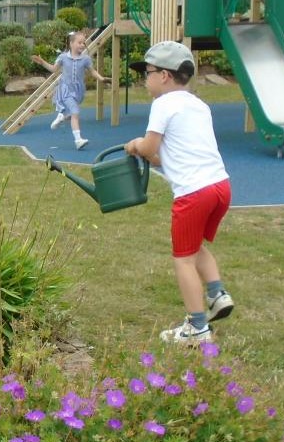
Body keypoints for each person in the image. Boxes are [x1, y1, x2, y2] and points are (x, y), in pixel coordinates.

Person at [123, 41, 234, 345]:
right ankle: (217, 294)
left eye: (147, 72)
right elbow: (165, 157)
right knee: (195, 245)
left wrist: (134, 145)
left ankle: (197, 329)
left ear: (165, 76)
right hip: (220, 186)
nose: (144, 79)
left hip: (193, 193)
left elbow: (148, 148)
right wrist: (148, 154)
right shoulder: (198, 104)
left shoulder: (163, 104)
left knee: (182, 258)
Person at [32, 31, 109, 150]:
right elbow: (53, 69)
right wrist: (42, 62)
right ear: (71, 43)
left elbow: (92, 71)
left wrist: (102, 78)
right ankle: (78, 140)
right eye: (79, 42)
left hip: (78, 91)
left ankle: (61, 116)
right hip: (65, 89)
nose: (82, 45)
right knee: (75, 112)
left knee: (71, 114)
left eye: (84, 42)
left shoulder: (85, 59)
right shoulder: (63, 57)